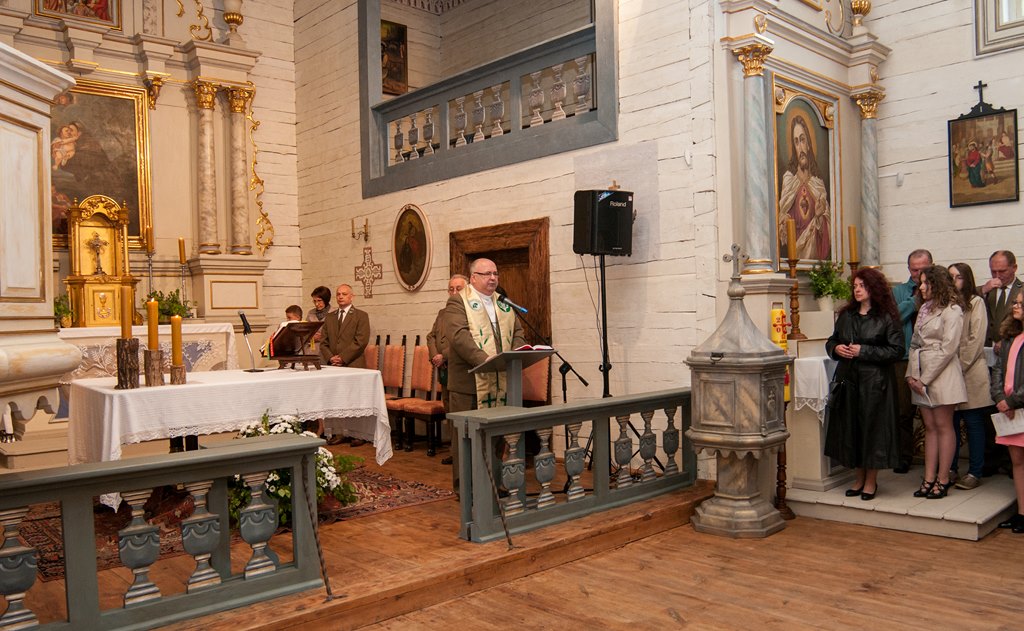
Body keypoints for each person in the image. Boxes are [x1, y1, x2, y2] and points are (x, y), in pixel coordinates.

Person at [445, 258, 525, 492]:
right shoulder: (458, 302)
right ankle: (466, 489)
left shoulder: (503, 303)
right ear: (473, 278)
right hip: (469, 382)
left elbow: (518, 332)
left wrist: (513, 356)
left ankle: (494, 484)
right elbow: (459, 336)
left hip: (500, 380)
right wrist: (484, 360)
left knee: (496, 436)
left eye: (495, 273)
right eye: (487, 274)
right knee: (466, 438)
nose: (493, 278)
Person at [824, 268, 904, 501]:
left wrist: (863, 351)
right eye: (855, 286)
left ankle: (871, 481)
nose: (857, 290)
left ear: (874, 288)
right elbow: (832, 340)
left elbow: (897, 350)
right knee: (852, 431)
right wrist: (836, 349)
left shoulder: (886, 316)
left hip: (875, 384)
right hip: (849, 380)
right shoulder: (846, 315)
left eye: (862, 285)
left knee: (872, 432)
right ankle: (858, 479)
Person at [906, 265, 967, 499]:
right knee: (929, 428)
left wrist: (924, 379)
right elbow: (914, 344)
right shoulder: (924, 309)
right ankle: (928, 477)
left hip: (942, 375)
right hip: (920, 373)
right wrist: (911, 375)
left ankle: (943, 478)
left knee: (943, 426)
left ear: (937, 284)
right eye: (920, 282)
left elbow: (949, 348)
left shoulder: (952, 310)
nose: (921, 287)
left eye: (925, 283)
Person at [948, 263, 993, 490]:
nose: (953, 281)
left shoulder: (976, 303)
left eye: (957, 277)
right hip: (949, 372)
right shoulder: (947, 304)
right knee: (952, 423)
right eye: (950, 277)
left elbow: (976, 340)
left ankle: (975, 471)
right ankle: (951, 468)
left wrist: (958, 367)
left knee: (974, 423)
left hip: (970, 371)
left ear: (967, 279)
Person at [891, 249, 932, 473]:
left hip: (932, 357)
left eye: (923, 269)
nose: (918, 274)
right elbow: (893, 318)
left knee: (934, 411)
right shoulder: (898, 291)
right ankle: (904, 455)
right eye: (915, 270)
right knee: (903, 411)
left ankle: (938, 459)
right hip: (905, 358)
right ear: (909, 269)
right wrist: (914, 301)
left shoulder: (938, 290)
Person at [426, 274, 468, 465]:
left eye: (458, 288)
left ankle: (465, 452)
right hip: (444, 370)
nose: (454, 292)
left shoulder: (471, 312)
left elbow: (464, 341)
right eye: (451, 289)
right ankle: (455, 450)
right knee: (449, 411)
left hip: (460, 371)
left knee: (461, 414)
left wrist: (444, 355)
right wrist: (435, 355)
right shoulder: (443, 313)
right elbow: (431, 336)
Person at [778, 113, 831, 260]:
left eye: (802, 140)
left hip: (814, 257)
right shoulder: (789, 180)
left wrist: (819, 217)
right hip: (795, 256)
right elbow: (782, 217)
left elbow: (828, 228)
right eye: (796, 142)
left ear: (808, 144)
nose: (800, 148)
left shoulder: (817, 183)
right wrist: (784, 221)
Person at [991, 294, 1024, 533]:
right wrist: (1000, 398)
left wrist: (1012, 401)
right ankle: (1022, 513)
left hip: (1019, 406)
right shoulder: (1010, 336)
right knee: (1017, 462)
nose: (1016, 306)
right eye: (1015, 302)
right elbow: (997, 370)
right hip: (1010, 410)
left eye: (1021, 304)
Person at [981, 250, 1022, 347]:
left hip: (1012, 347)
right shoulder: (985, 290)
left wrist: (1007, 340)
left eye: (1002, 271)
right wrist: (983, 290)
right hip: (986, 348)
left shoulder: (1022, 291)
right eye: (993, 271)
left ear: (1014, 268)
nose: (997, 276)